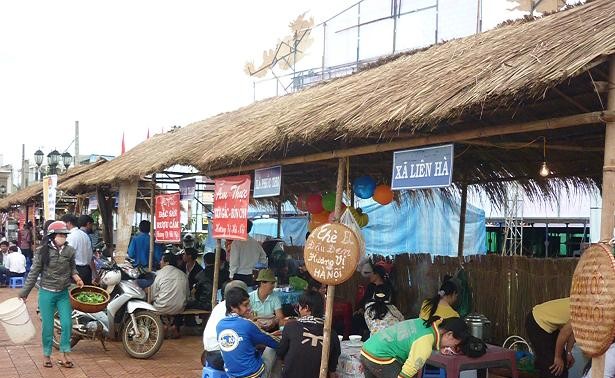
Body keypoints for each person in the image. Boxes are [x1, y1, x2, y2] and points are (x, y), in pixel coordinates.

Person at [20, 221, 84, 369]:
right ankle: (46, 355)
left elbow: (73, 268)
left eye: (65, 235)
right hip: (46, 293)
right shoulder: (42, 251)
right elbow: (34, 272)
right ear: (53, 235)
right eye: (61, 235)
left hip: (63, 293)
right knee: (47, 327)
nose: (63, 237)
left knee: (67, 324)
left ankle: (63, 353)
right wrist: (25, 293)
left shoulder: (70, 251)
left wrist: (78, 278)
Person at [360, 317, 470, 378]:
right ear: (449, 334)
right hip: (380, 357)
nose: (452, 347)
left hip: (367, 349)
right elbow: (409, 369)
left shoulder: (424, 323)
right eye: (455, 344)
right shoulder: (426, 341)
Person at [216, 287, 279, 378]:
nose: (249, 308)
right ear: (233, 307)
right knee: (274, 348)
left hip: (232, 375)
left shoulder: (219, 325)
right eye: (245, 305)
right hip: (253, 374)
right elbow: (273, 342)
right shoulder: (246, 324)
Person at [277, 290, 341, 378]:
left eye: (298, 307)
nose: (298, 310)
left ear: (306, 308)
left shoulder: (291, 327)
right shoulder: (332, 334)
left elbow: (280, 352)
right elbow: (332, 368)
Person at [203, 280, 249, 370]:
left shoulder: (220, 306)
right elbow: (244, 334)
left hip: (210, 354)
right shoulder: (233, 309)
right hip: (221, 356)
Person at [525, 297, 575, 378]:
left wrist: (568, 353)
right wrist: (557, 357)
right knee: (553, 367)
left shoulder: (589, 309)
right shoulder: (582, 310)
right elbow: (563, 334)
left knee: (562, 366)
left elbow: (573, 332)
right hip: (537, 322)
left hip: (550, 325)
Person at [152, 253, 189, 338]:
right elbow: (187, 294)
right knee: (180, 303)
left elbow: (153, 294)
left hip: (161, 306)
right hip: (179, 307)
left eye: (161, 260)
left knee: (153, 305)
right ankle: (175, 326)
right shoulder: (182, 274)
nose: (160, 262)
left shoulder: (157, 274)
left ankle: (163, 325)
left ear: (167, 262)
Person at [353, 263, 394, 339]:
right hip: (368, 311)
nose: (369, 276)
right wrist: (361, 309)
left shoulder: (387, 287)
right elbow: (364, 299)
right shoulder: (370, 287)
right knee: (356, 318)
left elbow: (386, 302)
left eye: (371, 274)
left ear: (377, 275)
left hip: (382, 312)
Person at [229, 220, 268, 286]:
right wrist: (257, 268)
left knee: (240, 295)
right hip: (253, 275)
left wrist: (231, 275)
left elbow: (234, 261)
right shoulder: (255, 243)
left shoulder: (236, 242)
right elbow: (263, 258)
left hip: (239, 275)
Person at [62, 214, 95, 285]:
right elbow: (90, 256)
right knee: (85, 292)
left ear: (68, 223)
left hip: (75, 271)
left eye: (63, 223)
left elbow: (67, 256)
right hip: (86, 270)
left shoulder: (71, 236)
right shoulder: (85, 235)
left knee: (74, 293)